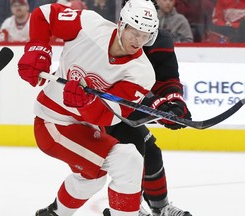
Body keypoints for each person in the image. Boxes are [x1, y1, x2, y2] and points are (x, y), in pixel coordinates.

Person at [16, 0, 187, 215]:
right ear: (121, 24)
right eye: (134, 31)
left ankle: (54, 213)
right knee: (128, 161)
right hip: (53, 122)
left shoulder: (141, 72)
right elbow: (44, 14)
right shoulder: (88, 25)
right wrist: (38, 48)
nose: (138, 40)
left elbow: (108, 116)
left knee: (92, 177)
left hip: (86, 126)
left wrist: (86, 102)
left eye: (145, 35)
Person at [103, 1, 193, 216]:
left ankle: (159, 208)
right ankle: (127, 210)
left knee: (150, 152)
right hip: (100, 110)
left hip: (128, 108)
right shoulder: (107, 36)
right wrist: (157, 105)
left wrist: (175, 103)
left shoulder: (160, 40)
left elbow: (167, 78)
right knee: (134, 155)